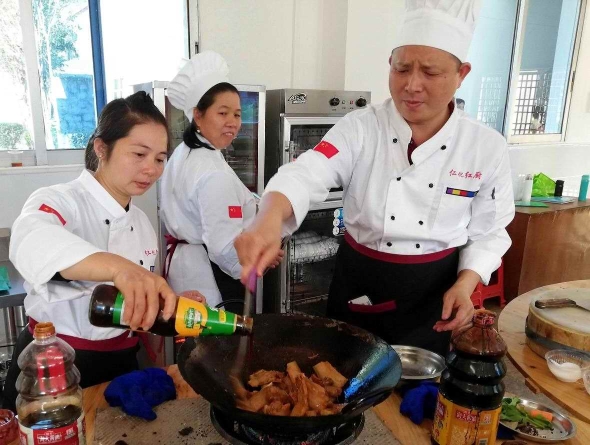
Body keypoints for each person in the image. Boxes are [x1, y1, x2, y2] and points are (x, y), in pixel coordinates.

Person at [235, 0, 515, 356]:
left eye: (430, 73)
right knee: (341, 374)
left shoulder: (485, 147)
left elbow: (490, 231)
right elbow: (308, 171)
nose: (412, 85)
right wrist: (269, 217)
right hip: (361, 282)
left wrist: (466, 283)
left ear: (462, 74)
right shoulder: (361, 127)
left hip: (437, 294)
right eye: (402, 69)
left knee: (422, 384)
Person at [3, 92, 181, 411]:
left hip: (121, 363)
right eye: (139, 154)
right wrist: (118, 268)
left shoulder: (141, 222)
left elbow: (133, 307)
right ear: (101, 148)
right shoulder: (60, 200)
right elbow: (31, 238)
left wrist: (168, 305)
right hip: (53, 365)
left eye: (159, 158)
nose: (151, 169)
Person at [160, 51, 280, 313]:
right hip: (211, 280)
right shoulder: (213, 173)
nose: (232, 123)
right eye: (222, 113)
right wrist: (259, 258)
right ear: (198, 115)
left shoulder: (184, 153)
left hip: (186, 269)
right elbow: (224, 247)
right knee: (216, 339)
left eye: (237, 114)